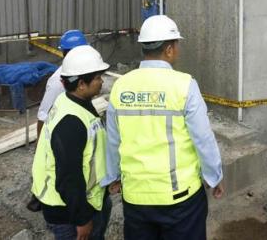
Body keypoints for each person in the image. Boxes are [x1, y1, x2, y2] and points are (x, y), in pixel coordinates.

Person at [105, 15, 224, 240]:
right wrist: (214, 176)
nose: (178, 50)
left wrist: (113, 176)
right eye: (177, 45)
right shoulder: (185, 85)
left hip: (136, 198)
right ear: (169, 49)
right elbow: (203, 138)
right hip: (180, 200)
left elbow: (113, 139)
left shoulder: (121, 86)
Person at [31, 45, 113, 240]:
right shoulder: (71, 121)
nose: (101, 82)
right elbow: (69, 177)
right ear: (81, 84)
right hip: (68, 212)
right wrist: (82, 220)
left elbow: (89, 153)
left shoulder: (70, 101)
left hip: (80, 201)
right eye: (97, 78)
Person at [28, 29, 89, 213]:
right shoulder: (58, 81)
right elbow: (43, 115)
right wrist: (41, 147)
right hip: (59, 135)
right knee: (59, 171)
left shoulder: (82, 73)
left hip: (74, 130)